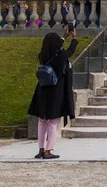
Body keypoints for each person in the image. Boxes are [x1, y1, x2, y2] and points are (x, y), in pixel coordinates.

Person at [28, 29, 78, 159]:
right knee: (53, 121)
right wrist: (73, 39)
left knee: (42, 121)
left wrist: (63, 38)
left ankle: (41, 148)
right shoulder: (60, 56)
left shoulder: (43, 55)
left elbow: (54, 46)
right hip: (56, 91)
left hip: (43, 90)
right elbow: (70, 51)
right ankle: (49, 150)